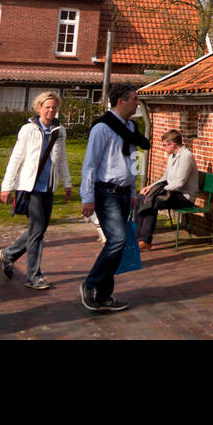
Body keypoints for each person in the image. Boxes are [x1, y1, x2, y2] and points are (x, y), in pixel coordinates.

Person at [79, 83, 149, 312]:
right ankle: (91, 285)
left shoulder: (130, 127)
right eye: (135, 99)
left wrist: (131, 192)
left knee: (116, 244)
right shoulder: (103, 128)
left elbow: (132, 161)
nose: (138, 103)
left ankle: (104, 295)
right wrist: (87, 197)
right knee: (118, 240)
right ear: (122, 101)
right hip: (106, 191)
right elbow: (90, 164)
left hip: (122, 193)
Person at [0, 91, 72, 290]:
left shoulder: (60, 131)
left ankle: (9, 253)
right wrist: (7, 186)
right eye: (47, 107)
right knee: (37, 231)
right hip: (30, 187)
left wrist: (67, 183)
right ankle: (33, 275)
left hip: (48, 187)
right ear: (39, 108)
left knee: (38, 229)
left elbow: (62, 159)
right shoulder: (28, 130)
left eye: (54, 107)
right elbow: (16, 158)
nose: (50, 111)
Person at [134, 129, 198, 249]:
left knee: (153, 201)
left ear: (172, 144)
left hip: (184, 196)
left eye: (164, 145)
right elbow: (166, 177)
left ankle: (145, 240)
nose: (163, 147)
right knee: (142, 197)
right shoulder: (172, 156)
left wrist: (158, 191)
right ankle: (136, 236)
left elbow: (179, 182)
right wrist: (150, 187)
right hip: (172, 192)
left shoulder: (186, 156)